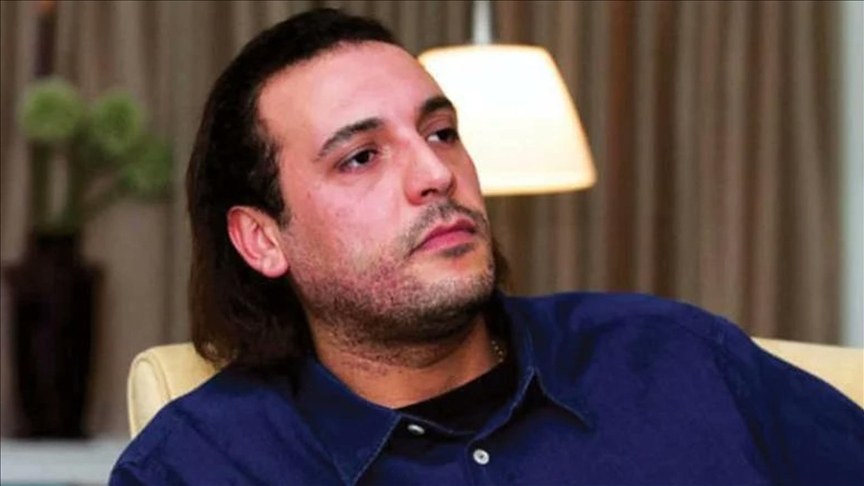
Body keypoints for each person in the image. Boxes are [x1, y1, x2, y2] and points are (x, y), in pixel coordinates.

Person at [110, 7, 864, 486]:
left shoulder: (680, 359)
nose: (436, 174)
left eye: (440, 133)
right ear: (262, 239)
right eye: (361, 157)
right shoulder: (202, 465)